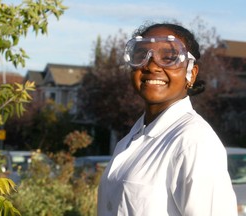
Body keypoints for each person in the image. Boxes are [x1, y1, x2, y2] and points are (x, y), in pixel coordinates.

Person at [97, 22, 238, 216]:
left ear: (191, 73)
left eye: (169, 58)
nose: (152, 66)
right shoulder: (130, 140)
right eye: (142, 55)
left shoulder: (194, 142)